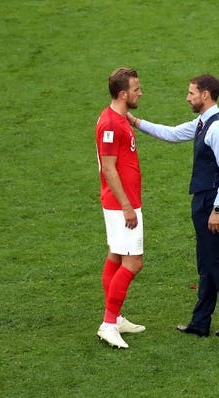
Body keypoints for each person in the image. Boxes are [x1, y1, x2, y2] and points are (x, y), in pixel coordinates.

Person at [127, 74, 219, 338]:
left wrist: (217, 210)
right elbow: (173, 134)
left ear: (205, 95)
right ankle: (200, 322)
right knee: (206, 262)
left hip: (212, 202)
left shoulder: (217, 128)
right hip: (205, 199)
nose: (187, 98)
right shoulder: (203, 123)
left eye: (191, 93)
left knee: (216, 262)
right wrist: (136, 122)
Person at [94, 67, 147, 349]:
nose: (141, 92)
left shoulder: (117, 118)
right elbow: (109, 168)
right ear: (123, 93)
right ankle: (109, 323)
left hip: (121, 202)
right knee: (133, 262)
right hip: (121, 205)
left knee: (116, 255)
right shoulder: (111, 124)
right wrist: (127, 206)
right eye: (136, 89)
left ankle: (115, 318)